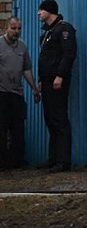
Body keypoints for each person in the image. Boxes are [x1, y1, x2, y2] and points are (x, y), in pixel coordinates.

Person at [37, 0, 76, 172]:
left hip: (57, 81)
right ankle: (53, 158)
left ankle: (63, 161)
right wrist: (40, 79)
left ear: (49, 11)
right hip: (46, 81)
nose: (39, 13)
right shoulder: (48, 32)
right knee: (50, 118)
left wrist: (60, 75)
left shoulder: (64, 29)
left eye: (41, 10)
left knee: (59, 118)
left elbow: (68, 54)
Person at [0, 17, 40, 169]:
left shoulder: (22, 47)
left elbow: (26, 69)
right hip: (2, 93)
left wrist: (34, 88)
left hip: (17, 93)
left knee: (18, 128)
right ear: (6, 29)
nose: (17, 31)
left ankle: (17, 161)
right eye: (13, 28)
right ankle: (3, 162)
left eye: (19, 28)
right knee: (2, 128)